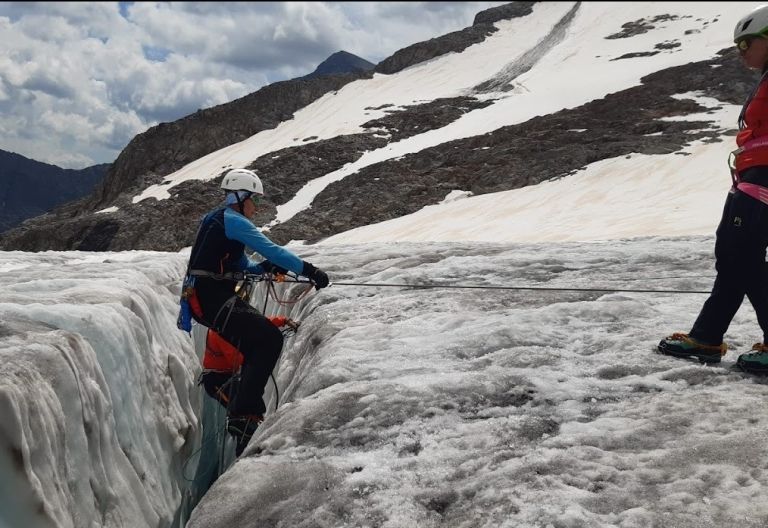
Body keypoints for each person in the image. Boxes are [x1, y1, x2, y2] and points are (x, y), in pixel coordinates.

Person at [179, 168, 329, 450]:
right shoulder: (232, 220)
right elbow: (272, 249)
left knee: (255, 341)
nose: (257, 207)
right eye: (254, 200)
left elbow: (240, 263)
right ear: (240, 196)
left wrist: (261, 269)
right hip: (212, 297)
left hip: (207, 297)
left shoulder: (219, 220)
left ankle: (242, 411)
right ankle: (245, 412)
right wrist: (310, 271)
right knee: (268, 338)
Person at [658, 5, 768, 373]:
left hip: (761, 183)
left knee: (740, 258)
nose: (741, 52)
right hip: (753, 181)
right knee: (737, 260)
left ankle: (706, 338)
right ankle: (705, 337)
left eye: (746, 43)